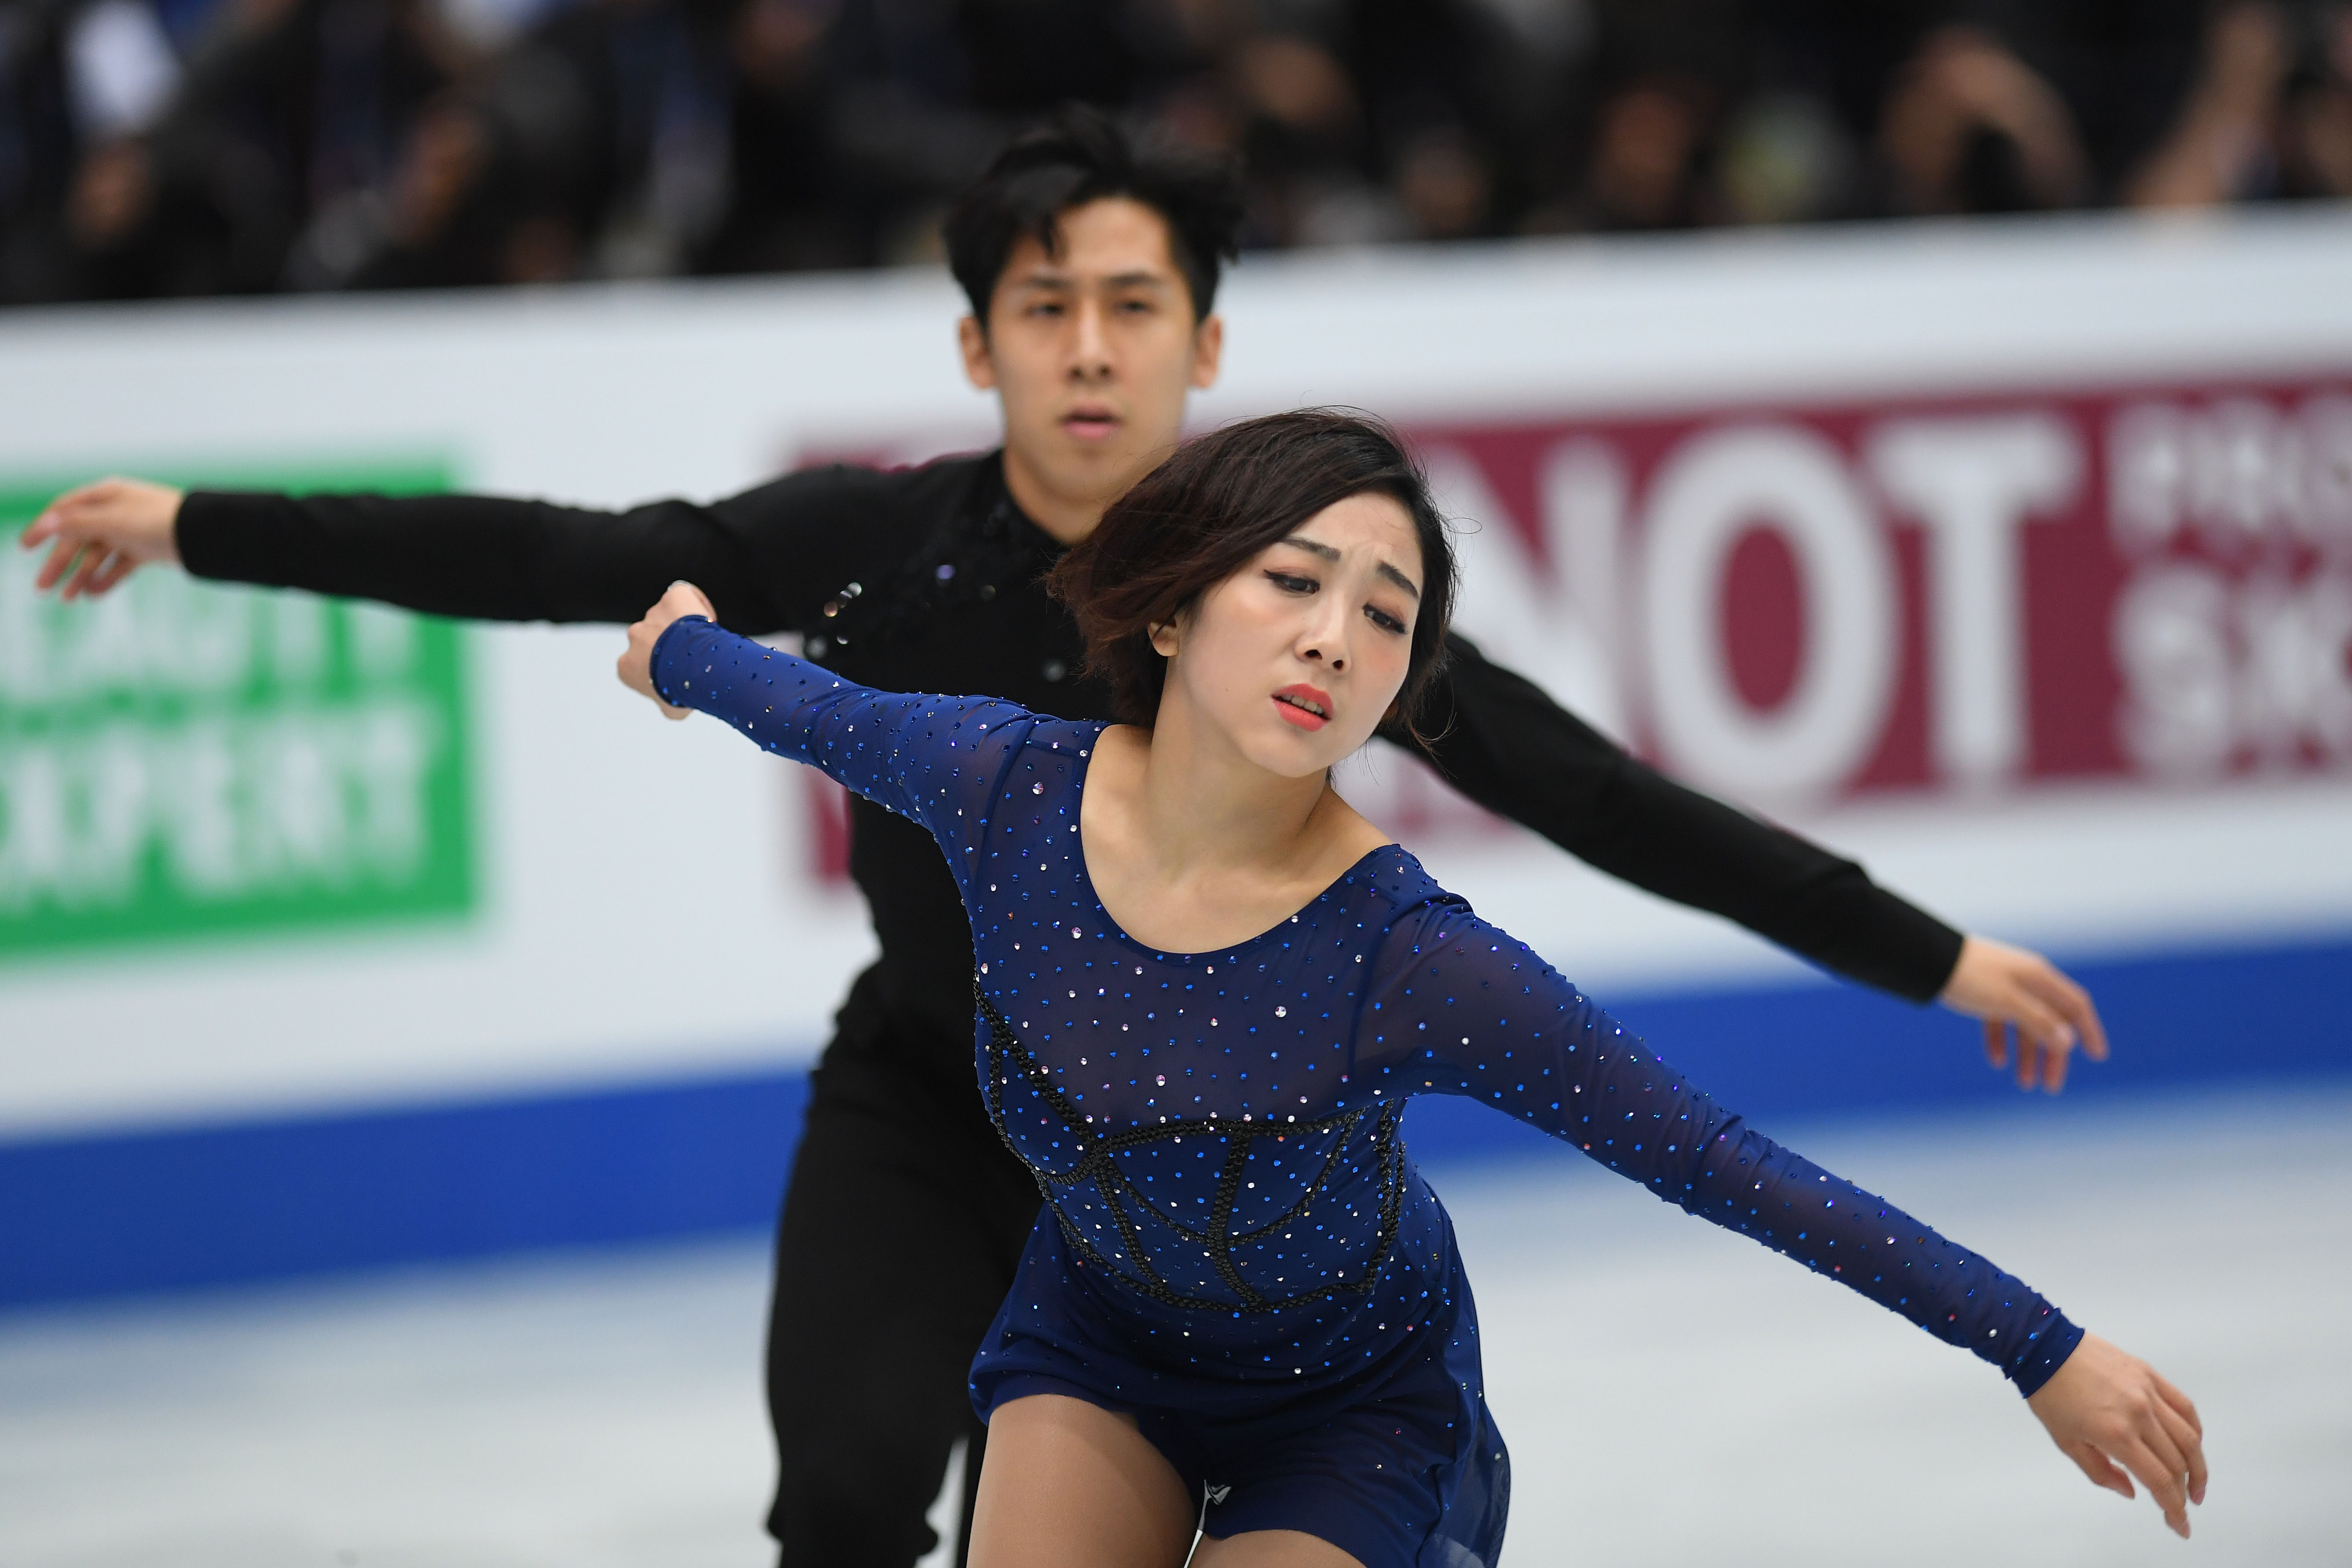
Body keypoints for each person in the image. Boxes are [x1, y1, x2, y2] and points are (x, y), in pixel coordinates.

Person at [19, 109, 2109, 1568]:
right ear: (978, 344)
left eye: (1133, 305)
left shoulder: (1300, 610)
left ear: (1205, 341)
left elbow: (1605, 806)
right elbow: (588, 570)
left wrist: (1922, 954)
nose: (1089, 346)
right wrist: (202, 524)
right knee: (845, 1496)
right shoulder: (875, 552)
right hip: (952, 1099)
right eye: (1044, 306)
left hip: (1245, 1178)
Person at [616, 409, 2204, 1566]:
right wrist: (677, 651)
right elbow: (790, 699)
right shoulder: (999, 784)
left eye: (1385, 615)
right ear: (1170, 605)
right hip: (1094, 1343)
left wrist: (2039, 1345)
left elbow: (1721, 1163)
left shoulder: (1409, 956)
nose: (1334, 636)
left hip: (1350, 1404)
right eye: (1292, 582)